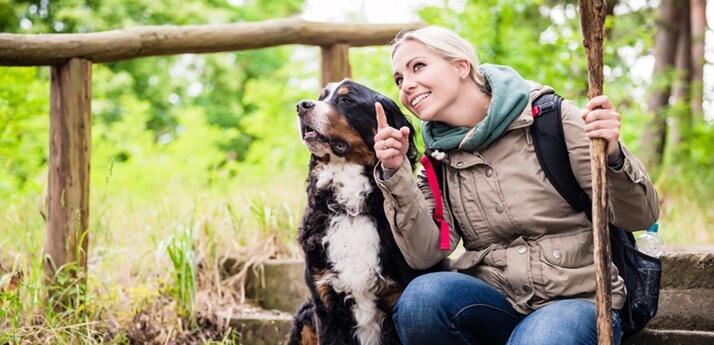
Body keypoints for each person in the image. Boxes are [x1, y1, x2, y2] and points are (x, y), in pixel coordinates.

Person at [372, 25, 660, 345]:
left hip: (577, 301)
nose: (407, 85)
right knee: (421, 301)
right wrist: (396, 174)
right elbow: (428, 251)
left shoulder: (552, 120)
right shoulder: (437, 160)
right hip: (495, 301)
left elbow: (640, 216)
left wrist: (614, 154)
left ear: (461, 66)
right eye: (399, 79)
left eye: (418, 66)